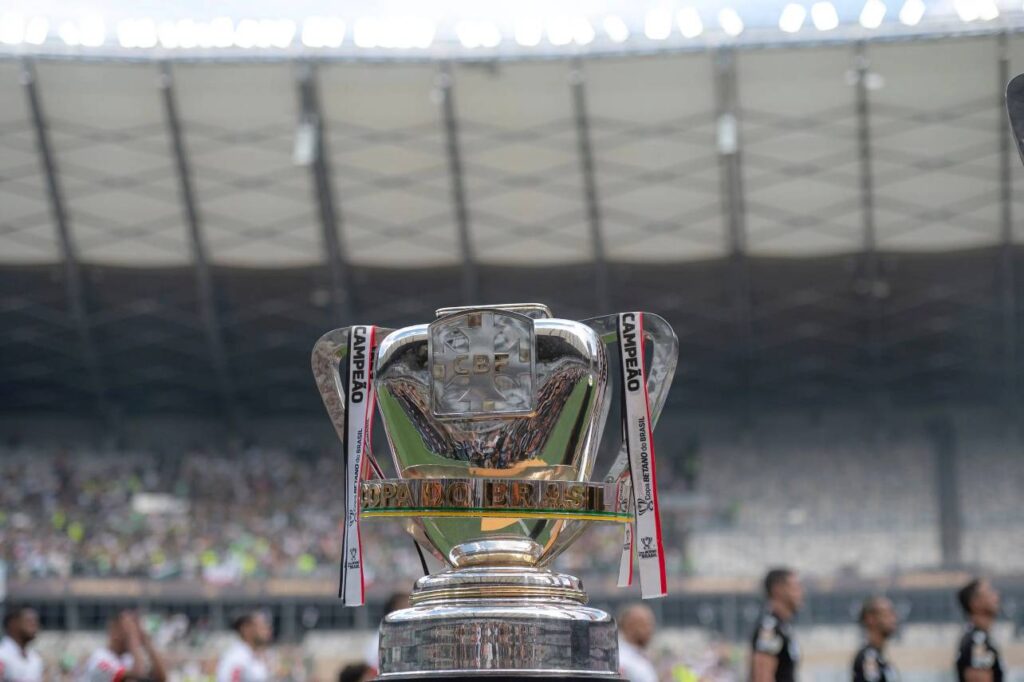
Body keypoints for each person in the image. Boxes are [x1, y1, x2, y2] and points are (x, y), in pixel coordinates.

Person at [79, 610, 166, 682]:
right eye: (127, 628)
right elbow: (139, 675)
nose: (133, 632)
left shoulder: (127, 660)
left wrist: (146, 640)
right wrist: (132, 638)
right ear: (113, 629)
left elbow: (161, 679)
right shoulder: (99, 660)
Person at [750, 567, 803, 682]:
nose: (800, 593)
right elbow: (762, 677)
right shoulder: (771, 629)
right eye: (794, 587)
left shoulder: (784, 628)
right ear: (778, 590)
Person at [956, 578, 1003, 682]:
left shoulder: (982, 638)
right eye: (989, 591)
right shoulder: (978, 642)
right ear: (975, 603)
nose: (996, 595)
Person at [852, 596, 899, 682]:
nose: (893, 618)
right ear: (870, 619)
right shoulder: (868, 658)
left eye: (893, 613)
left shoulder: (880, 658)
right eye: (886, 614)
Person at [216, 611, 273, 682]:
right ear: (246, 629)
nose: (267, 630)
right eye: (261, 626)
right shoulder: (237, 658)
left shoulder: (251, 655)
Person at [364, 592, 411, 675]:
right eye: (405, 605)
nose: (410, 609)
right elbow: (373, 665)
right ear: (395, 608)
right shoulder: (383, 635)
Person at [0, 607, 43, 682]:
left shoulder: (35, 658)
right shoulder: (2, 655)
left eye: (36, 621)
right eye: (29, 621)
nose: (35, 625)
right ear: (13, 624)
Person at [618, 603, 657, 682]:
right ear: (629, 625)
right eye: (645, 624)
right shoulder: (621, 660)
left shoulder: (640, 656)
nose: (650, 629)